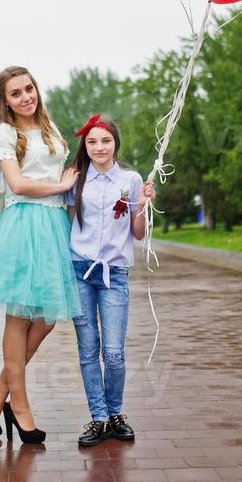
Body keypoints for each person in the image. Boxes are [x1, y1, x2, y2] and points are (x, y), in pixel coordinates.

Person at [0, 66, 81, 443]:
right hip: (23, 225)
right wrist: (59, 184)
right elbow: (16, 183)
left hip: (53, 226)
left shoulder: (50, 129)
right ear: (6, 100)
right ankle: (20, 407)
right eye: (16, 93)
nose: (25, 97)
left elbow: (66, 180)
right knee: (18, 317)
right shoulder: (5, 132)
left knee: (47, 318)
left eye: (29, 89)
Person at [65, 114, 155, 447]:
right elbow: (62, 217)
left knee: (114, 352)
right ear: (84, 146)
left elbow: (139, 234)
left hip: (114, 274)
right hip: (79, 272)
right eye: (92, 141)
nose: (99, 147)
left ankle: (116, 413)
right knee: (89, 350)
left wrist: (142, 207)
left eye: (105, 140)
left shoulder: (131, 180)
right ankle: (99, 418)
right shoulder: (74, 179)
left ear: (115, 142)